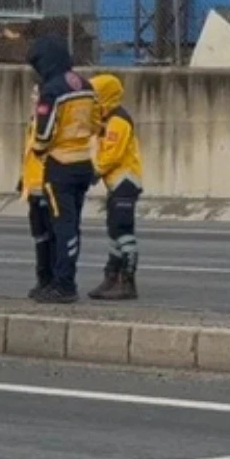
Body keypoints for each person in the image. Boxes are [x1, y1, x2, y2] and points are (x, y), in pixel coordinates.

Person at [26, 36, 101, 304]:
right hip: (83, 162)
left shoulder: (52, 90)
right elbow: (96, 123)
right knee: (73, 225)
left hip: (60, 165)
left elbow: (44, 134)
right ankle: (62, 281)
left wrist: (38, 149)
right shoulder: (86, 85)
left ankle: (63, 284)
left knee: (62, 227)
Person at [88, 74, 144, 300]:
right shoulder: (107, 119)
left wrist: (94, 172)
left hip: (125, 181)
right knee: (113, 230)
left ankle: (127, 281)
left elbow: (113, 154)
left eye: (95, 96)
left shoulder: (118, 121)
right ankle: (111, 276)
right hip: (116, 182)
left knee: (122, 230)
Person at [16, 83, 55, 299]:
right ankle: (43, 278)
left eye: (36, 95)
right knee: (40, 237)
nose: (33, 99)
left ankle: (51, 279)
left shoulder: (46, 123)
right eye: (32, 95)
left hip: (46, 186)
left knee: (50, 235)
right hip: (34, 186)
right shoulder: (33, 122)